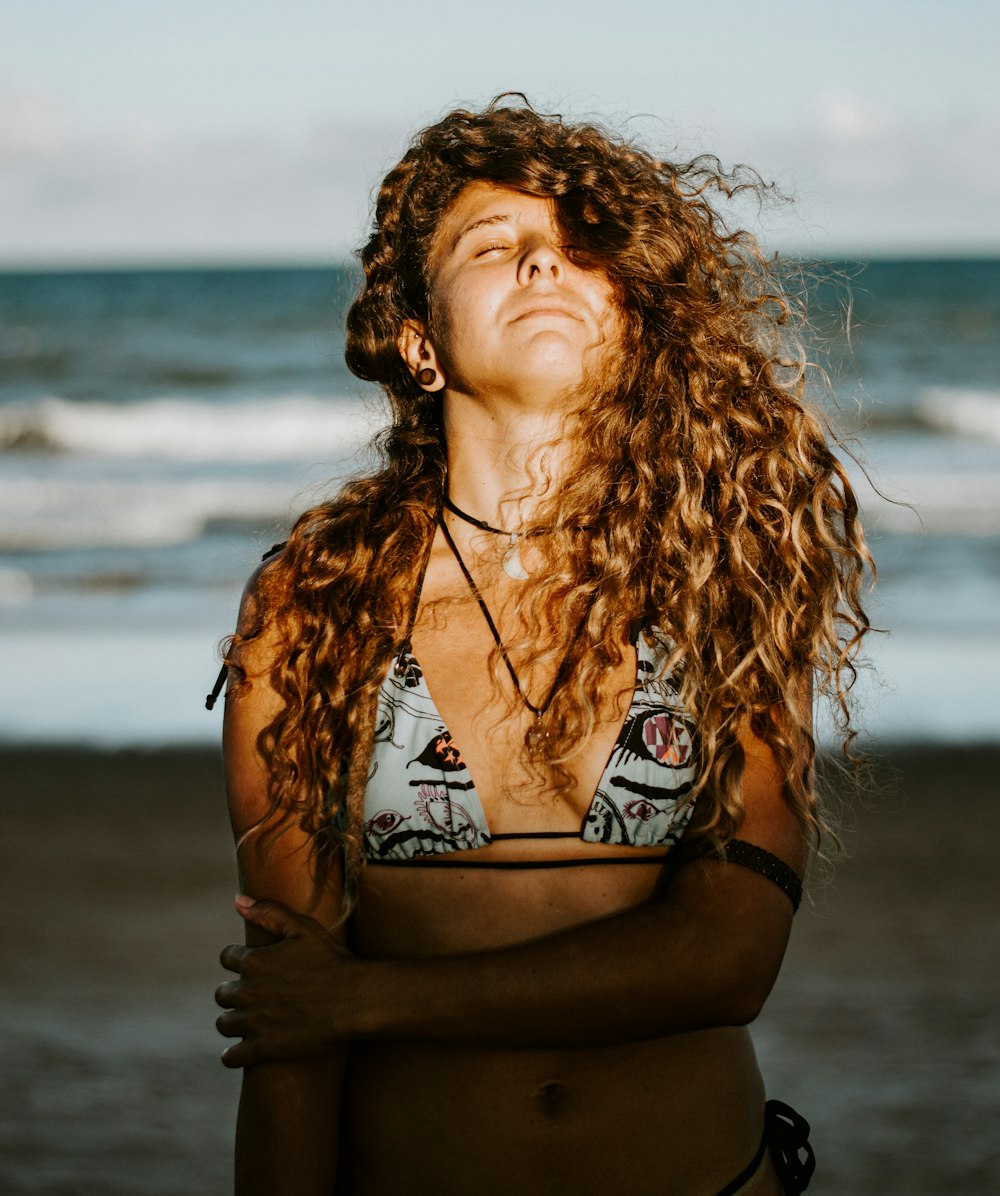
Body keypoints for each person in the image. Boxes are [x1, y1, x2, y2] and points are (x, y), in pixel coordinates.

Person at [212, 96, 871, 1195]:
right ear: (419, 342)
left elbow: (727, 955)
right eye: (492, 245)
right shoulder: (316, 603)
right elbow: (289, 1022)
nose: (541, 268)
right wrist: (324, 1006)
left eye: (578, 250)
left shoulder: (726, 574)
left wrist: (370, 996)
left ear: (629, 312)